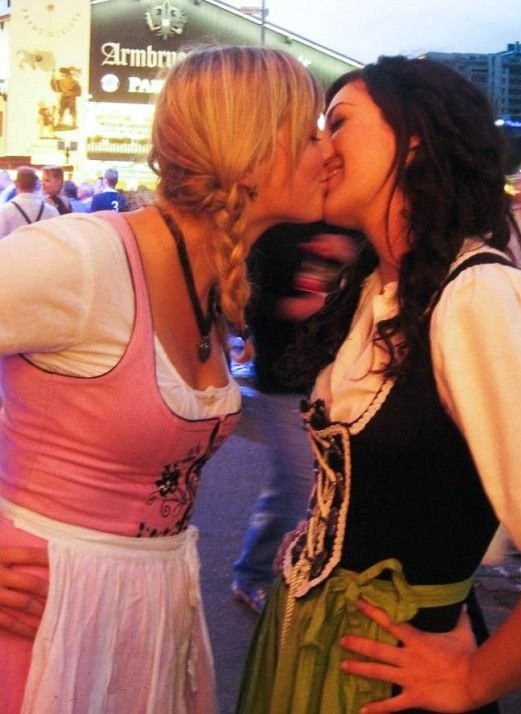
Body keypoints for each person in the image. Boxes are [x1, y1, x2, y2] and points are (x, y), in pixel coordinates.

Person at [236, 54, 521, 714]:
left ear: (414, 139)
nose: (320, 144)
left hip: (385, 680)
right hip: (310, 646)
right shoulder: (375, 292)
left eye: (337, 123)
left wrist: (474, 679)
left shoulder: (483, 299)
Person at [0, 45, 328, 714]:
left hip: (144, 608)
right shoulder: (81, 259)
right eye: (309, 131)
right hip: (39, 612)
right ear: (252, 144)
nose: (326, 150)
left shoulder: (207, 275)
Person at [231, 221, 361, 614]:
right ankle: (252, 574)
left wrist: (352, 254)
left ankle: (306, 569)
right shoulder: (276, 231)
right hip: (283, 377)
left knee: (317, 479)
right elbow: (248, 303)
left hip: (336, 376)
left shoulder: (353, 231)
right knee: (299, 477)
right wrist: (297, 307)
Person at [0, 166, 59, 238]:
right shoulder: (51, 211)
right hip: (41, 248)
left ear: (16, 184)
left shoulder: (4, 210)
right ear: (35, 185)